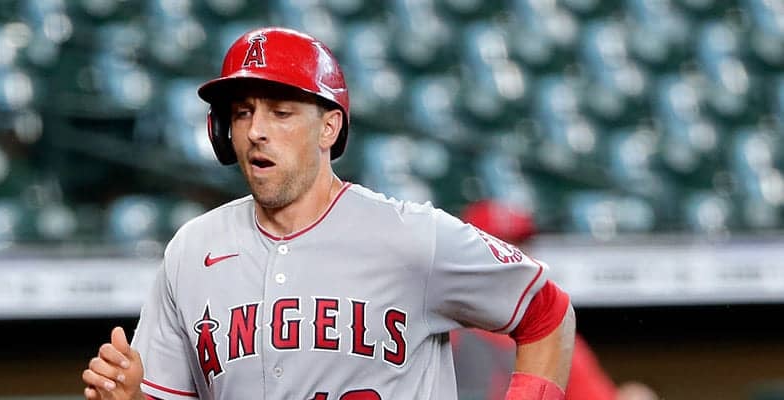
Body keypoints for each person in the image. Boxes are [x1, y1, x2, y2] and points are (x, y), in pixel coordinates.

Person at [81, 27, 575, 400]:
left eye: (281, 112)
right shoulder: (192, 250)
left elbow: (548, 314)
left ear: (329, 128)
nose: (256, 131)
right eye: (243, 112)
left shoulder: (411, 236)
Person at [455, 200, 659, 400]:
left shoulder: (551, 331)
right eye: (499, 247)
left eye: (520, 245)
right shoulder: (446, 324)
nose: (513, 257)